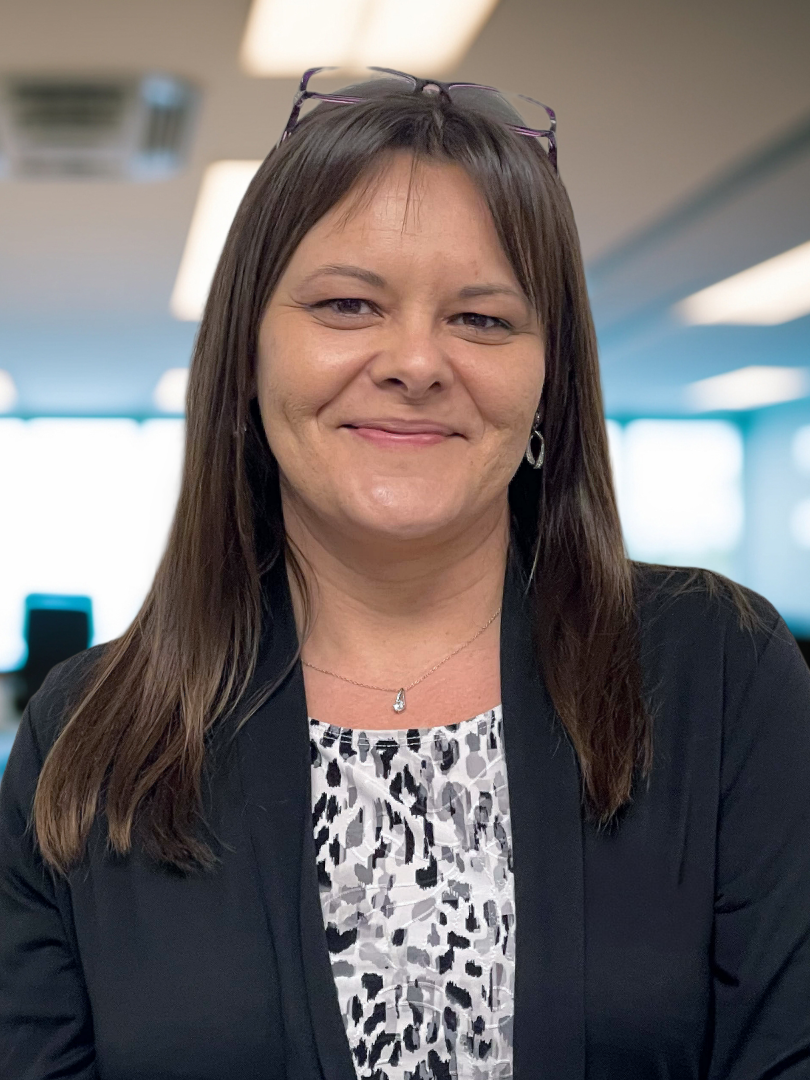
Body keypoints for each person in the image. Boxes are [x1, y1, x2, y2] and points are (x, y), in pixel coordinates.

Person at [1, 67, 809, 1080]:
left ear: (549, 377)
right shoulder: (88, 739)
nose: (416, 361)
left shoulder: (716, 671)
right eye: (347, 304)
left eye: (482, 319)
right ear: (248, 358)